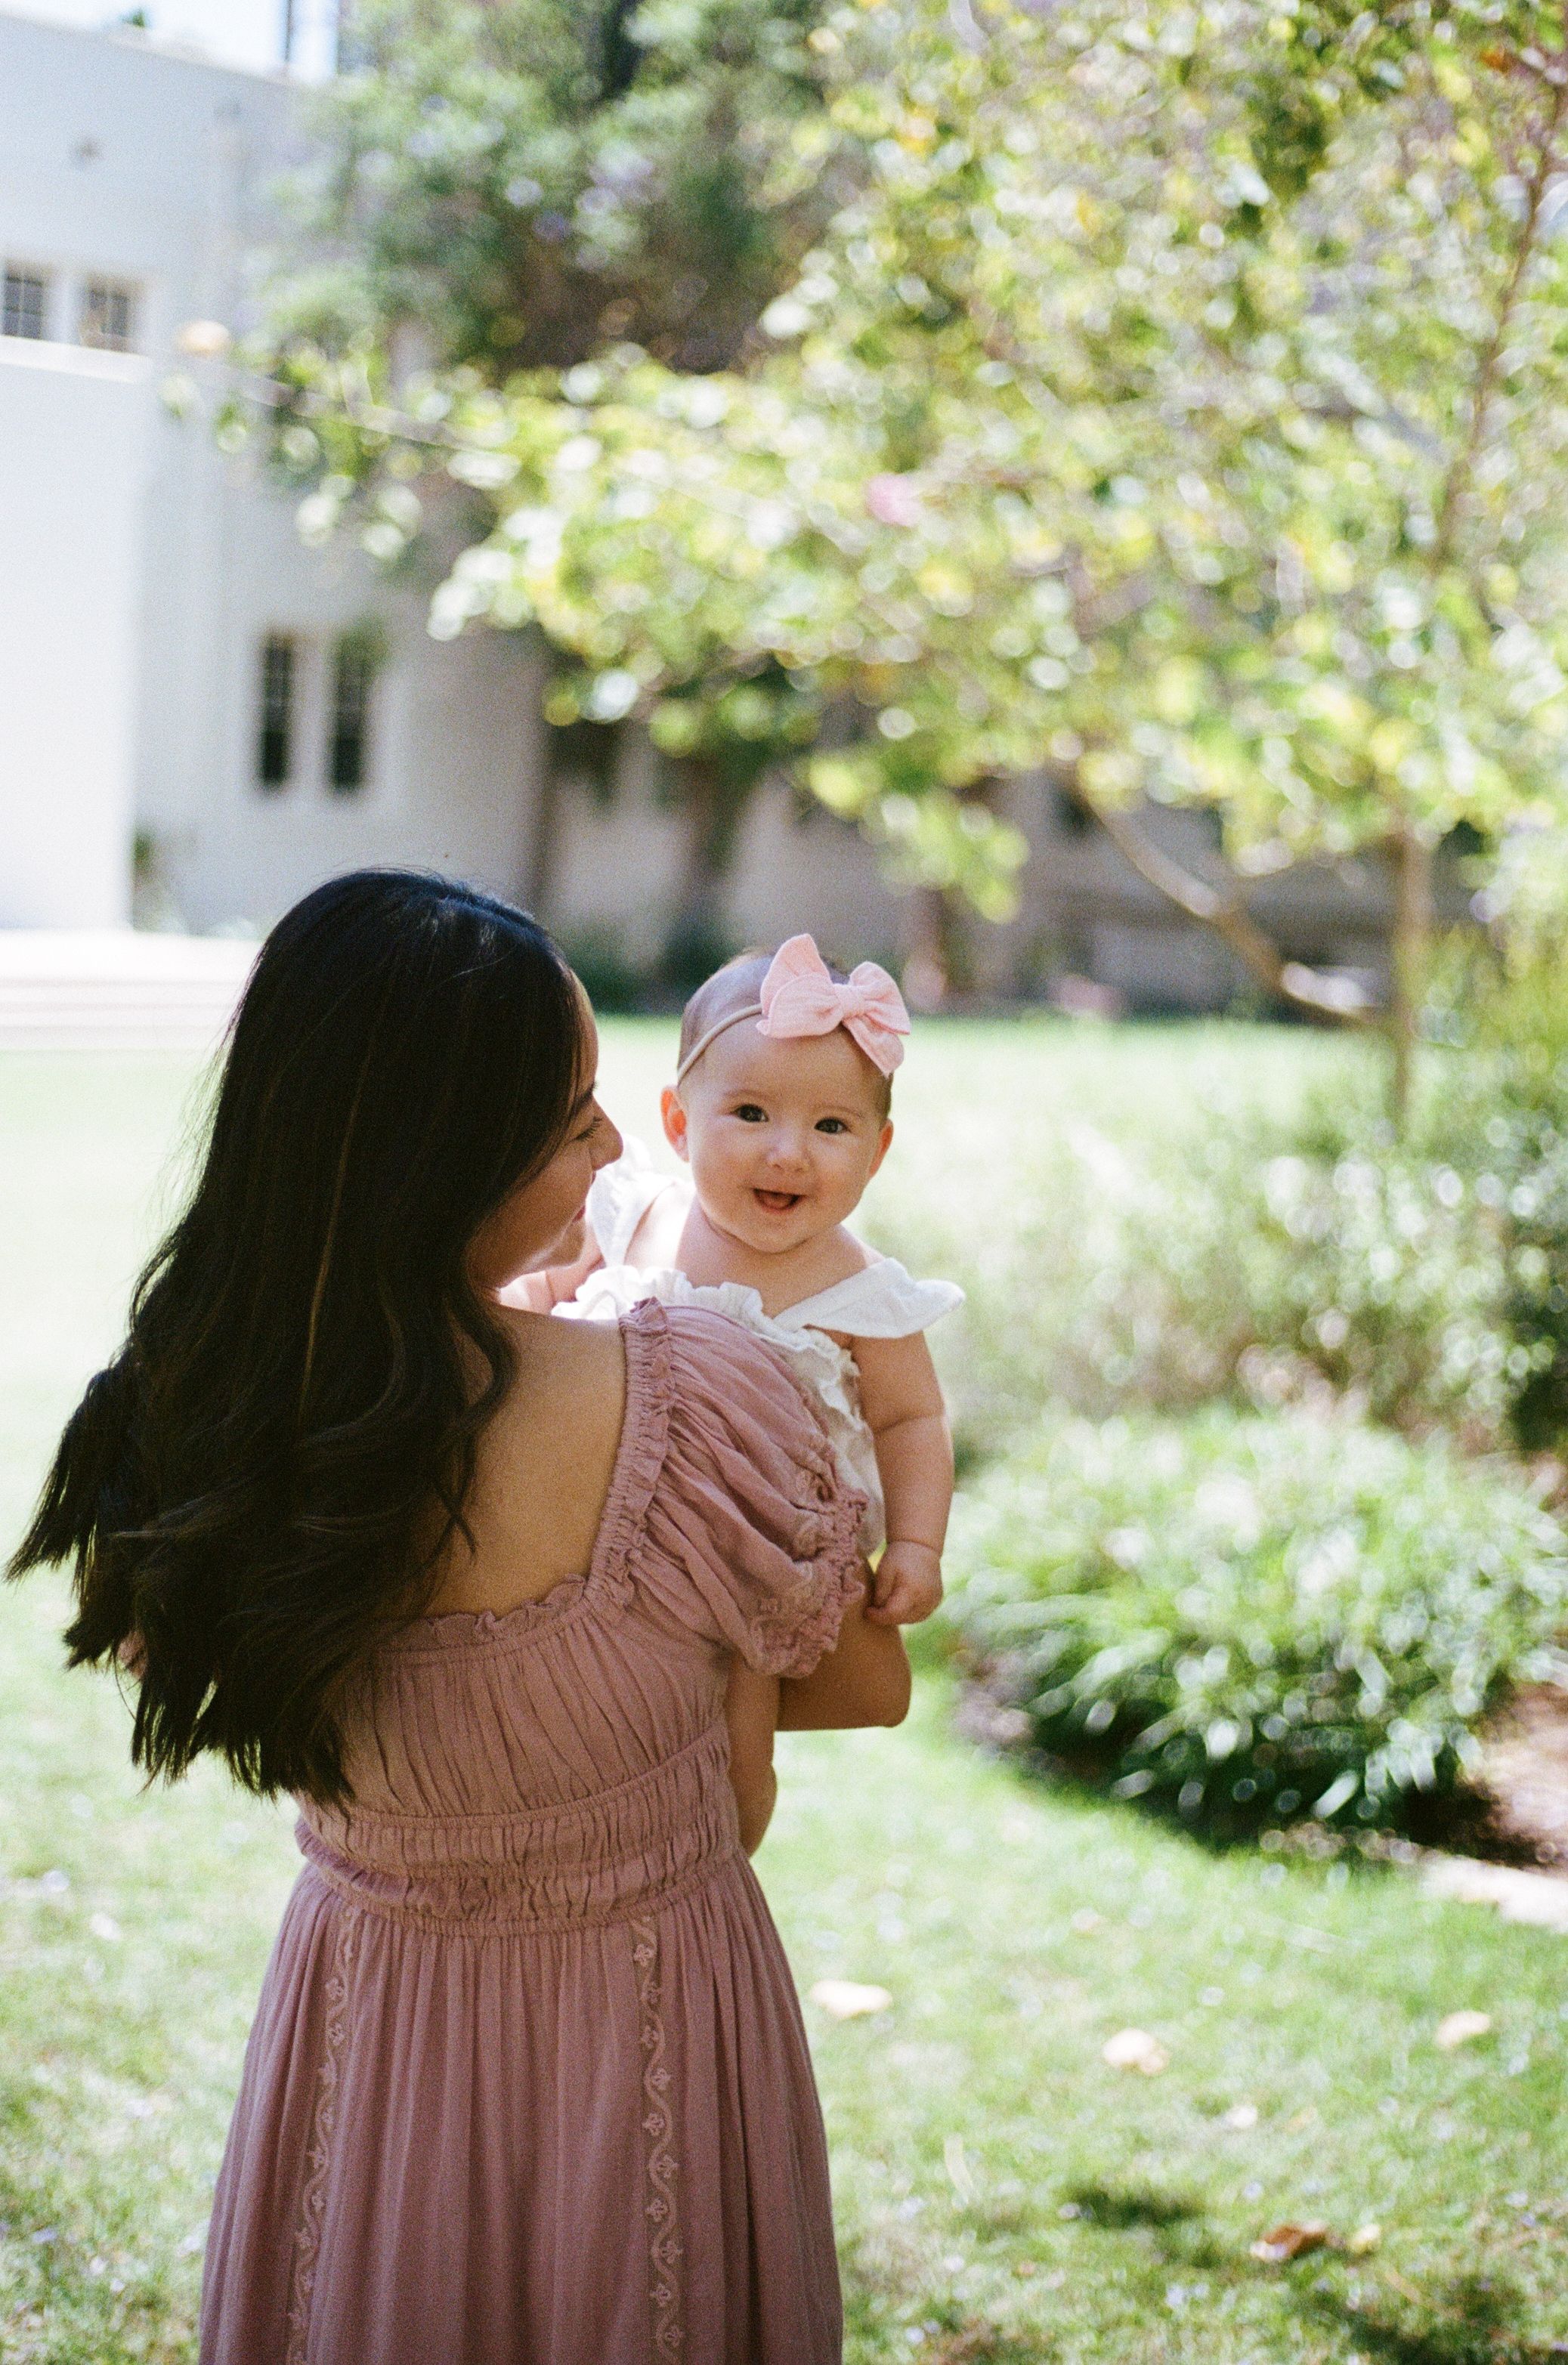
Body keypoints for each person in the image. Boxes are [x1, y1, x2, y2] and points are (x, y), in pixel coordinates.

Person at [8, 871, 910, 2365]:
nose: (621, 1148)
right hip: (643, 2029)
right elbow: (862, 1676)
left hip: (373, 2037)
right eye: (572, 1121)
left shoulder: (200, 1426)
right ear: (446, 1160)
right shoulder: (693, 1392)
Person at [518, 935, 962, 1628]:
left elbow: (911, 1420)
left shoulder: (863, 1295)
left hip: (762, 1566)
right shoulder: (634, 1218)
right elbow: (535, 1303)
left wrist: (916, 1544)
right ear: (678, 1124)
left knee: (734, 1714)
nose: (787, 1153)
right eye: (751, 1114)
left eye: (831, 1126)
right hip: (590, 1527)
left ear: (876, 1152)